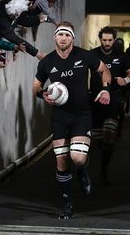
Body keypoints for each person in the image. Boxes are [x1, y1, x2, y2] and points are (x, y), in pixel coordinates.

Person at [32, 21, 111, 218]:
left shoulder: (84, 56)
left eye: (67, 35)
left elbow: (104, 70)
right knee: (61, 160)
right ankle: (67, 204)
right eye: (60, 35)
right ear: (55, 37)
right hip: (59, 117)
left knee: (77, 157)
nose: (64, 38)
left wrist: (106, 89)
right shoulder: (47, 62)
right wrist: (43, 95)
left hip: (81, 116)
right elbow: (35, 87)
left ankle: (82, 170)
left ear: (72, 38)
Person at [90, 26, 130, 185]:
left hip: (113, 98)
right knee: (98, 138)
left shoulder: (121, 56)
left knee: (109, 134)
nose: (107, 43)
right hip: (95, 98)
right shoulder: (93, 54)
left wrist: (126, 80)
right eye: (104, 40)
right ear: (100, 39)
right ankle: (104, 147)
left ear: (114, 40)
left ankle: (104, 170)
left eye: (110, 40)